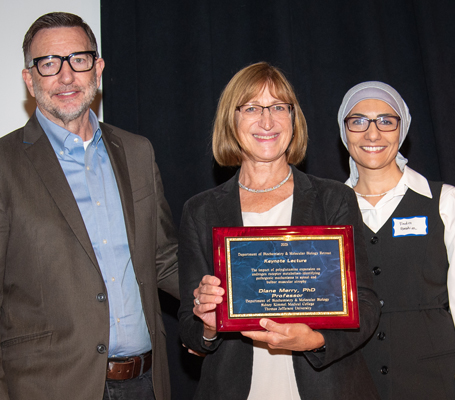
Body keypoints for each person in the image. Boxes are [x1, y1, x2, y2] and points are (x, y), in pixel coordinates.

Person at [0, 12, 179, 399]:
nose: (66, 76)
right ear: (29, 80)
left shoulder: (136, 151)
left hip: (146, 383)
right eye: (48, 64)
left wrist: (237, 289)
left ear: (97, 69)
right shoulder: (4, 164)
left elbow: (164, 259)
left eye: (78, 59)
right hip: (45, 388)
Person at [178, 62, 381, 400]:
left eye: (278, 108)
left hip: (326, 388)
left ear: (293, 118)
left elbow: (366, 303)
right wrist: (209, 324)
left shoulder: (334, 199)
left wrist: (315, 340)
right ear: (232, 119)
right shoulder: (201, 210)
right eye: (252, 108)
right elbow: (188, 323)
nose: (267, 121)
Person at [337, 81, 455, 400]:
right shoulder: (330, 210)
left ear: (401, 128)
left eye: (385, 120)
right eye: (358, 120)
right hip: (354, 383)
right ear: (344, 131)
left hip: (434, 382)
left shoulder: (445, 201)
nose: (372, 133)